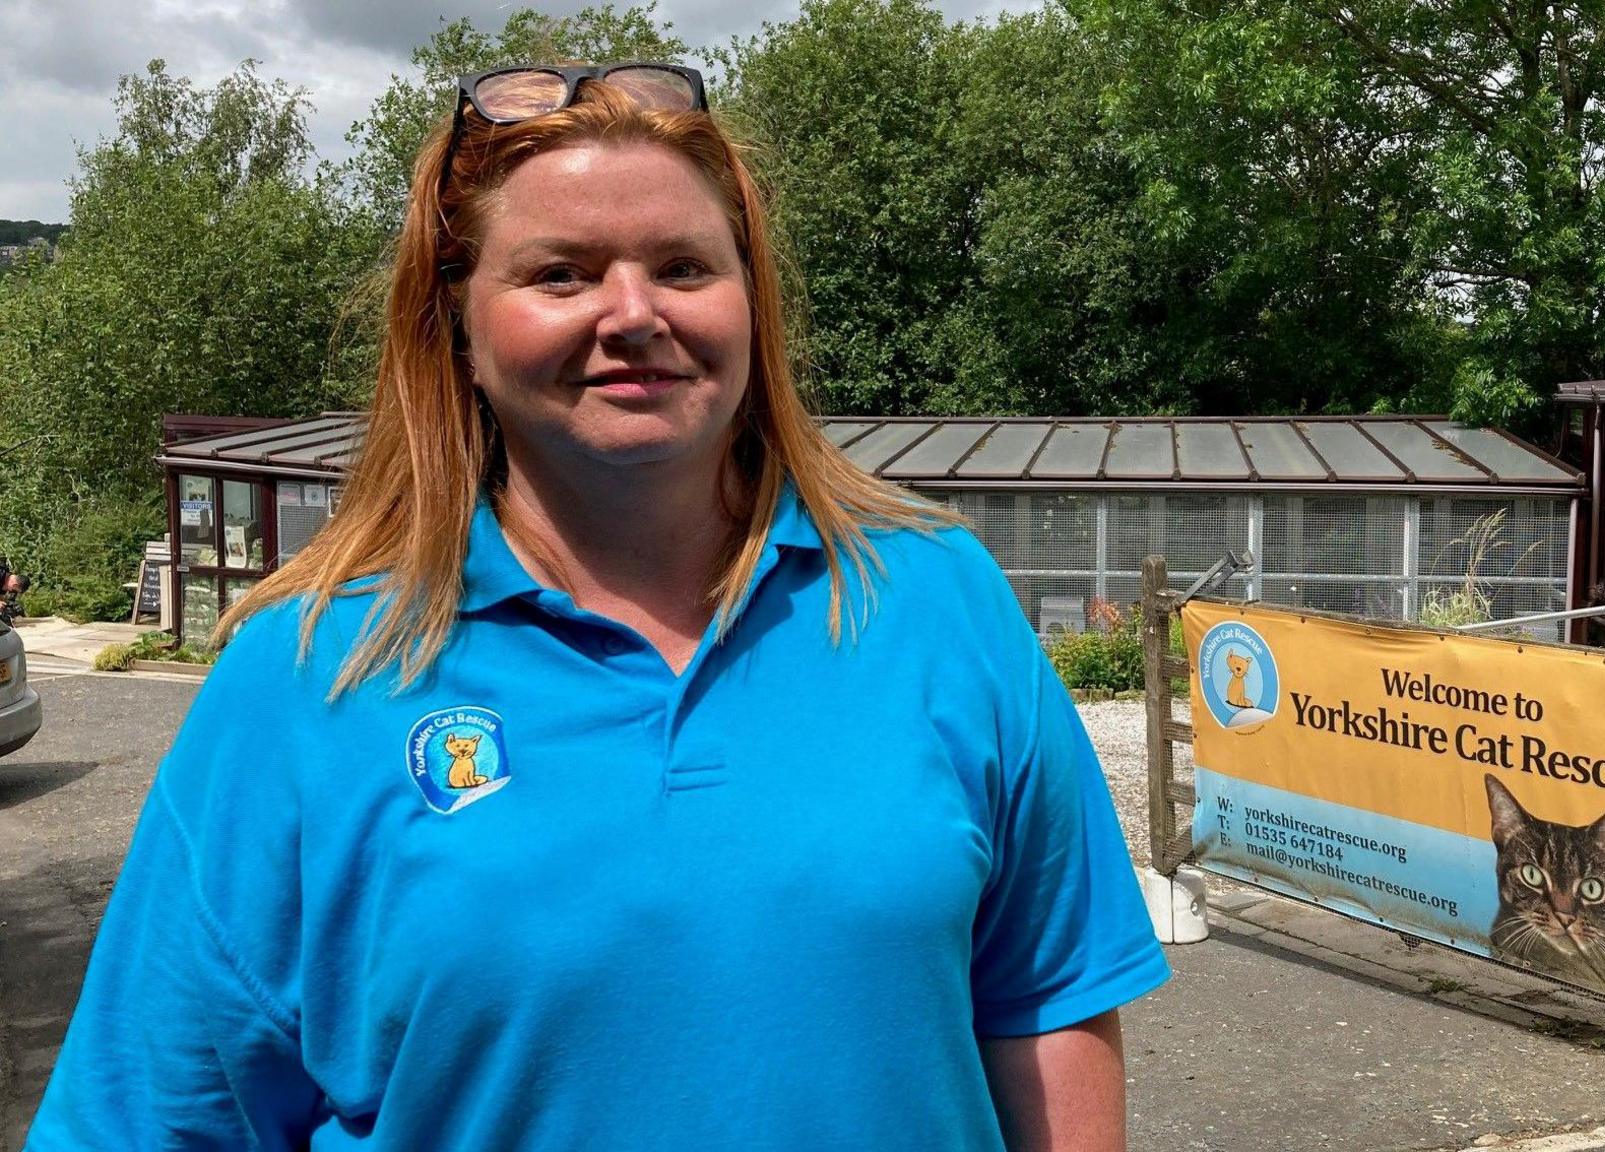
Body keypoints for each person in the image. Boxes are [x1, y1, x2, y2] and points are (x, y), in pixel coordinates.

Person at [28, 62, 1169, 1149]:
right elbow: (154, 1114)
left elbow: (1046, 998)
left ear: (749, 304)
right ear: (460, 328)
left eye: (682, 267)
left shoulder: (931, 594)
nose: (633, 313)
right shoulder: (310, 670)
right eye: (560, 274)